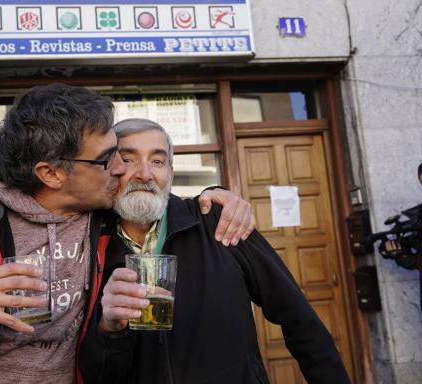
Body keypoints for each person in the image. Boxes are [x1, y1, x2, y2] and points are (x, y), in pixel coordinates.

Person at [0, 84, 255, 384]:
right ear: (51, 173)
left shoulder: (103, 211)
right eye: (106, 159)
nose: (121, 169)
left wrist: (215, 198)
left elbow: (153, 196)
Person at [79, 118, 350, 383]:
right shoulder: (90, 247)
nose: (145, 174)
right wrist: (110, 331)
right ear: (110, 169)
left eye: (158, 161)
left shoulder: (219, 223)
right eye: (128, 159)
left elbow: (299, 318)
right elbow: (97, 374)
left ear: (170, 174)